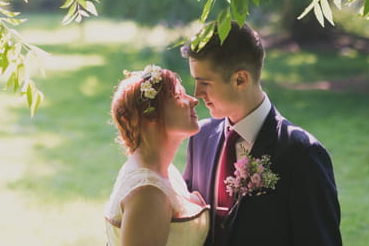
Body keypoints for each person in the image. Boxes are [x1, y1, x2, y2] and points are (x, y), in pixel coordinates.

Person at [182, 23, 342, 246]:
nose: (197, 94)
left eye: (205, 83)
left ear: (240, 79)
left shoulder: (302, 154)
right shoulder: (200, 138)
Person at [104, 65, 211, 246]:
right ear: (151, 116)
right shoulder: (148, 193)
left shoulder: (165, 170)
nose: (194, 101)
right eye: (179, 96)